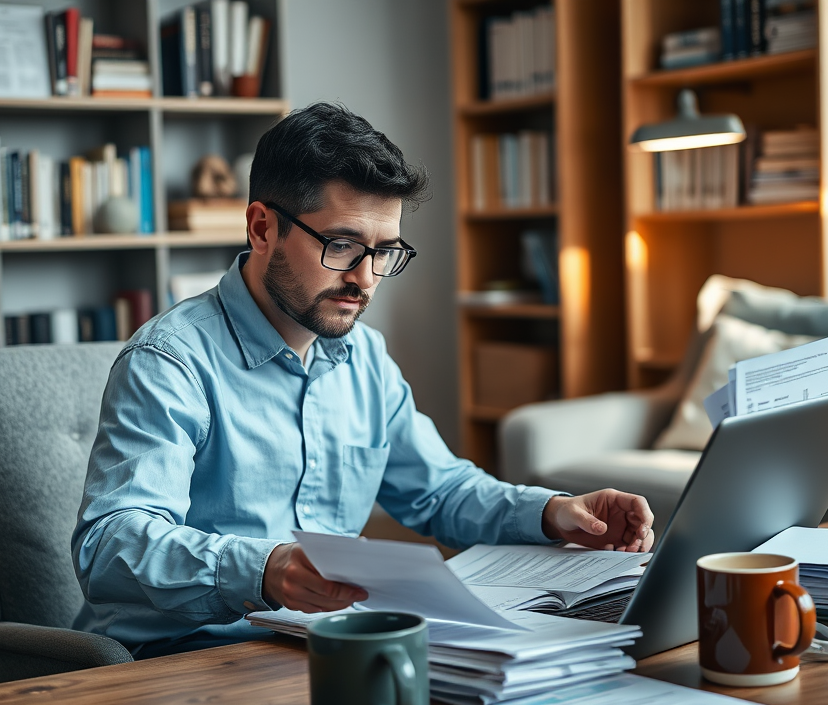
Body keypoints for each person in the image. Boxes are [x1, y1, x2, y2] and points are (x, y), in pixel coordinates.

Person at [72, 103, 654, 658]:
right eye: (343, 245)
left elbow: (438, 490)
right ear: (261, 227)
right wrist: (266, 568)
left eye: (385, 252)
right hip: (182, 657)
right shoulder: (169, 362)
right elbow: (109, 544)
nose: (365, 279)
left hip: (320, 648)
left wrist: (554, 513)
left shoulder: (364, 356)